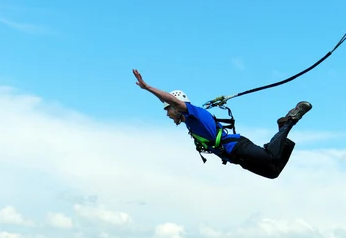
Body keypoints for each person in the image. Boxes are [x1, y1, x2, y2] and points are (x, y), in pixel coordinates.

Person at [133, 69, 312, 179]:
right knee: (272, 172)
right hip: (235, 157)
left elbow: (172, 100)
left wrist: (148, 88)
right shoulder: (191, 122)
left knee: (271, 156)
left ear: (176, 106)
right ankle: (282, 133)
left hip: (237, 146)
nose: (168, 114)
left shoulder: (193, 113)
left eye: (168, 110)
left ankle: (288, 122)